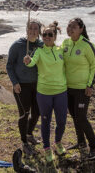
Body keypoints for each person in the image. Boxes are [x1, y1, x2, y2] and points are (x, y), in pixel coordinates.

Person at [23, 22, 67, 162]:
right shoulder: (39, 51)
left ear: (54, 36)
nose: (47, 37)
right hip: (44, 93)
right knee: (45, 120)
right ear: (42, 36)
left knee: (62, 121)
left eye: (50, 34)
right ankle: (47, 148)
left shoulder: (61, 50)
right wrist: (28, 61)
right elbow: (32, 62)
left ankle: (58, 142)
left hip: (61, 91)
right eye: (44, 35)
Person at [62, 17, 95, 160]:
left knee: (81, 117)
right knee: (74, 117)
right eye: (68, 26)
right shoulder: (65, 43)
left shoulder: (87, 45)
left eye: (73, 26)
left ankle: (94, 147)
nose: (70, 28)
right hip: (67, 88)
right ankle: (81, 142)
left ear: (81, 29)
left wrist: (90, 85)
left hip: (82, 89)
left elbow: (94, 65)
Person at [6, 19, 43, 156]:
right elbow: (9, 65)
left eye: (36, 29)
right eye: (30, 28)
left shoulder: (41, 45)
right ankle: (24, 142)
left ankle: (28, 133)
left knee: (37, 112)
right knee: (24, 114)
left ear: (39, 31)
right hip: (21, 86)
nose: (33, 31)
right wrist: (15, 83)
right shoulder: (18, 45)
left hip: (38, 85)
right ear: (26, 29)